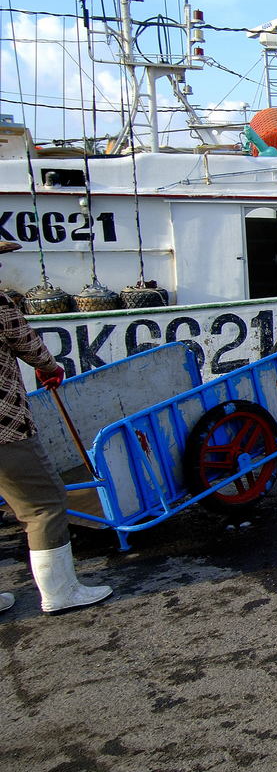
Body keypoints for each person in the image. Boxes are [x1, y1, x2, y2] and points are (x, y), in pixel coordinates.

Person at [0, 241, 112, 615]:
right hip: (5, 428)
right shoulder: (0, 306)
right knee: (44, 506)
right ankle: (60, 592)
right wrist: (49, 368)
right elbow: (32, 349)